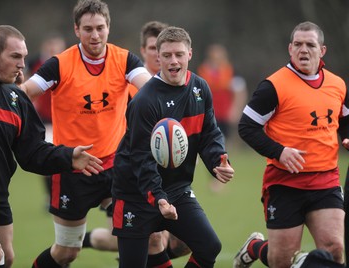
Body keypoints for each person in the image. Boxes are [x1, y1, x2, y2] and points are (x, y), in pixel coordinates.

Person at [0, 25, 103, 268]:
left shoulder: (17, 99)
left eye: (24, 56)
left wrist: (68, 156)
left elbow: (32, 153)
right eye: (15, 56)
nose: (23, 64)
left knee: (7, 258)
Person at [20, 0, 152, 267]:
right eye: (88, 29)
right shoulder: (59, 64)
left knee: (142, 235)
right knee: (67, 252)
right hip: (73, 168)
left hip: (116, 165)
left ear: (108, 27)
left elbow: (149, 91)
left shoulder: (125, 60)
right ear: (77, 30)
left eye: (100, 28)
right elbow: (24, 94)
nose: (95, 35)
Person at [111, 26, 235, 268]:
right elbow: (142, 159)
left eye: (179, 54)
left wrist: (218, 160)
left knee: (209, 247)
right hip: (135, 194)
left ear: (190, 54)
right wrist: (158, 198)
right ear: (158, 57)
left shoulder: (200, 89)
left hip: (177, 190)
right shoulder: (145, 102)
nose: (173, 61)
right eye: (167, 55)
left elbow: (209, 134)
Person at [234, 21, 348, 268]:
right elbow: (246, 127)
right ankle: (256, 247)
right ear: (290, 48)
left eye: (310, 45)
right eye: (298, 44)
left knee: (335, 249)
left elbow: (345, 118)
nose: (303, 50)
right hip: (285, 182)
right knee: (282, 260)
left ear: (323, 50)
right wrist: (279, 151)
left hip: (325, 180)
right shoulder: (273, 86)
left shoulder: (337, 84)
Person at [82, 20, 192, 264]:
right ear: (143, 50)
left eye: (170, 51)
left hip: (169, 175)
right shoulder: (132, 85)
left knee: (182, 244)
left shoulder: (183, 87)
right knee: (153, 239)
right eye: (153, 48)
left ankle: (90, 243)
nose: (158, 54)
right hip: (134, 175)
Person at [197, 44, 247, 192]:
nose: (216, 59)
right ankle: (215, 177)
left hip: (224, 115)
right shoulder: (203, 71)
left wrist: (236, 109)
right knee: (207, 146)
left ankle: (220, 177)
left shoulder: (231, 71)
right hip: (207, 115)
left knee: (221, 146)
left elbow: (240, 91)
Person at [25, 33, 67, 201]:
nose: (53, 50)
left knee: (64, 158)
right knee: (48, 158)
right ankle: (51, 195)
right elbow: (23, 79)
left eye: (56, 47)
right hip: (44, 120)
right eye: (50, 46)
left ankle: (59, 193)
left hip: (64, 121)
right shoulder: (35, 63)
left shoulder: (68, 63)